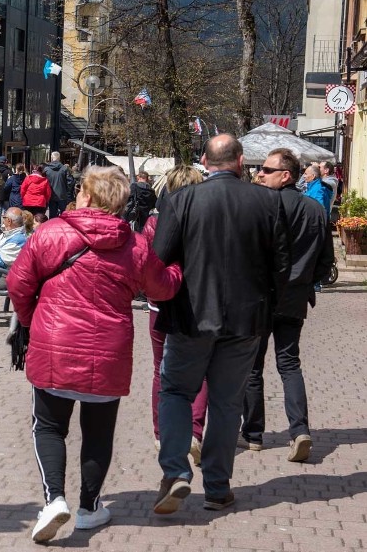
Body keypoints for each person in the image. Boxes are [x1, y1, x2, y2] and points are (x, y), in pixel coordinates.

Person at [7, 167, 182, 543]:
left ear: (85, 196)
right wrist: (182, 267)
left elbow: (18, 282)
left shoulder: (50, 232)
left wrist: (28, 320)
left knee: (49, 426)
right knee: (99, 432)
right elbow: (163, 287)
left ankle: (54, 499)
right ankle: (89, 507)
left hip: (54, 342)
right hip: (108, 348)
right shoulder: (134, 245)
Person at [152, 134, 290, 515]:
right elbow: (282, 266)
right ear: (241, 161)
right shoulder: (267, 201)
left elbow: (158, 259)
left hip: (192, 316)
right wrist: (268, 309)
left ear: (204, 161)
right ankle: (217, 486)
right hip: (247, 320)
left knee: (177, 393)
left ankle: (176, 471)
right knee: (227, 403)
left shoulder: (182, 200)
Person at [241, 148, 334, 462]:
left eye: (267, 169)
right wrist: (306, 281)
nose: (261, 173)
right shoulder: (316, 210)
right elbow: (326, 262)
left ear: (286, 175)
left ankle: (253, 434)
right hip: (294, 297)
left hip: (261, 295)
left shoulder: (262, 205)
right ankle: (300, 430)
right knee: (289, 363)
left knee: (254, 366)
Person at [142, 165, 207, 462]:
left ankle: (162, 434)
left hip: (163, 301)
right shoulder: (207, 218)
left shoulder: (155, 221)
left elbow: (150, 260)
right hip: (199, 302)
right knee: (201, 369)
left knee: (161, 369)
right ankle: (194, 431)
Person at [45, 152, 74, 218]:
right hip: (62, 195)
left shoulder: (46, 169)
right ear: (59, 158)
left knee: (52, 215)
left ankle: (53, 227)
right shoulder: (64, 168)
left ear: (52, 158)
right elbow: (70, 181)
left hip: (51, 195)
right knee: (64, 215)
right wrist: (67, 191)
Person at [0, 155, 12, 233]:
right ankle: (6, 226)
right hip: (6, 194)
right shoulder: (9, 171)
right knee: (6, 212)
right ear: (6, 162)